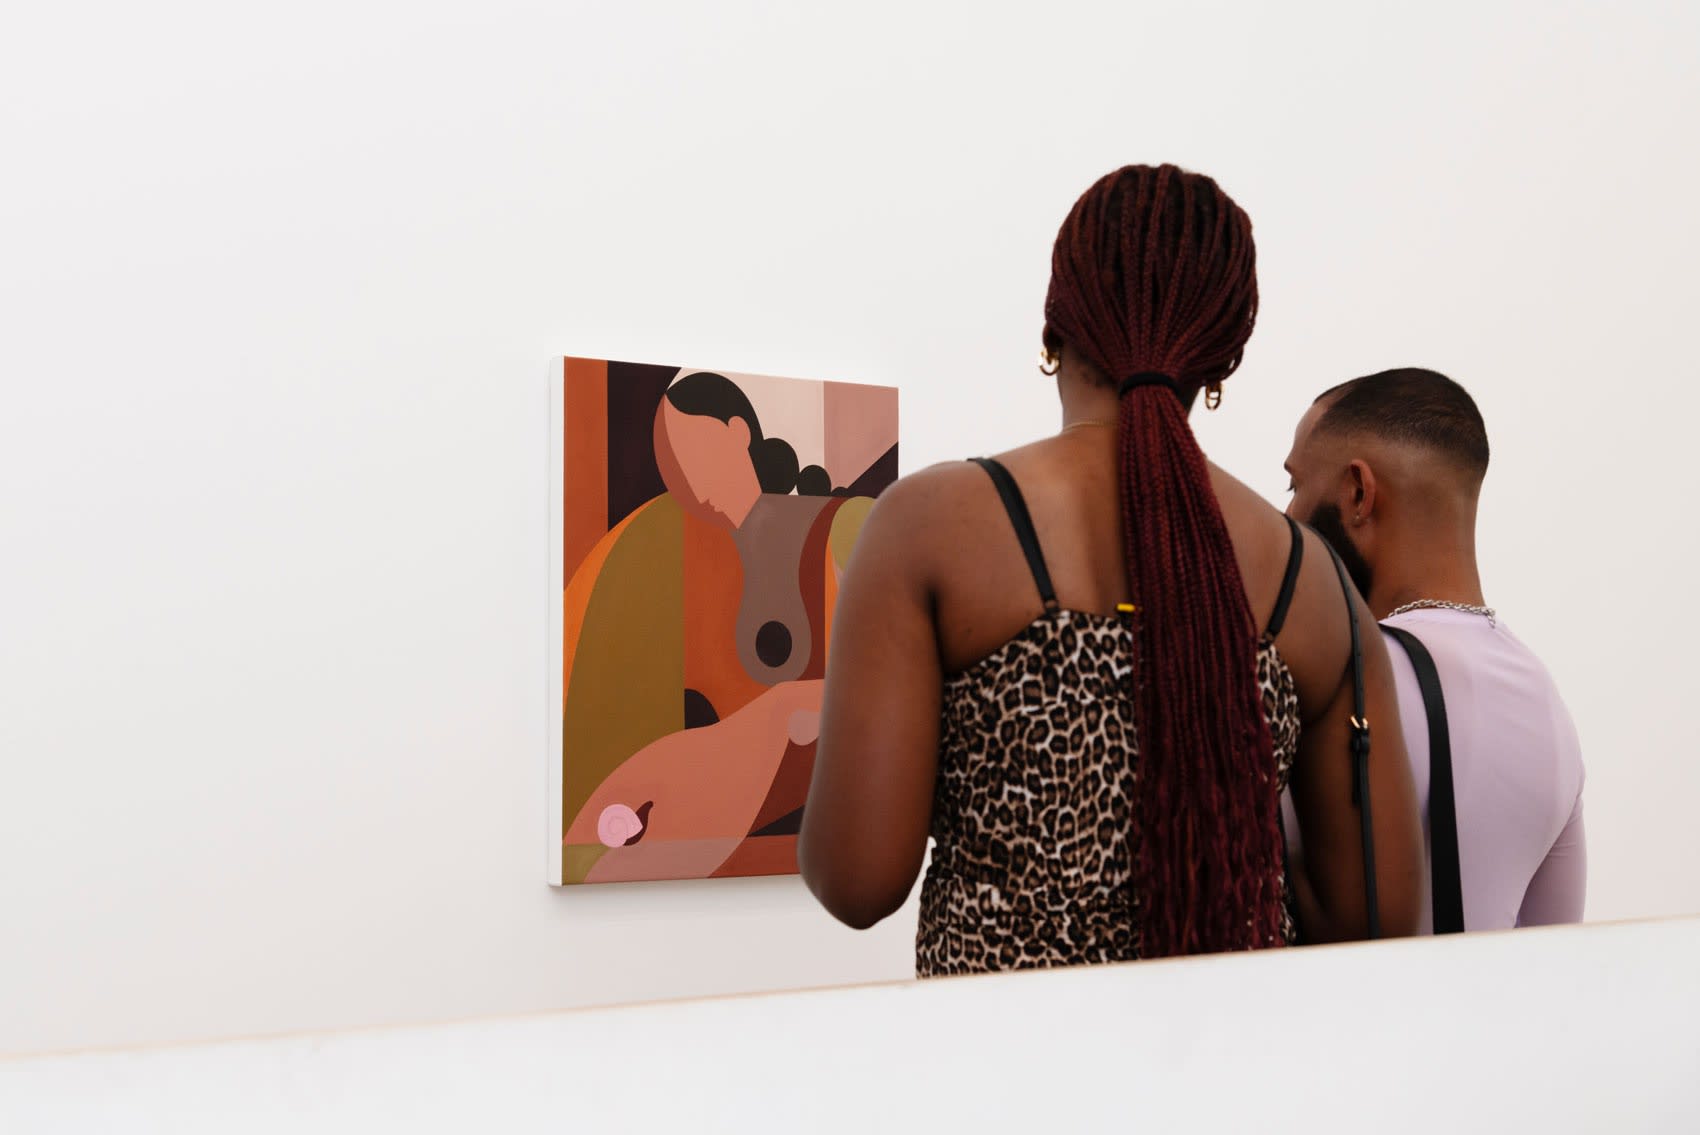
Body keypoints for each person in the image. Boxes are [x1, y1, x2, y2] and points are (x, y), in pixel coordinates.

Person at [799, 164, 1423, 975]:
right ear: (1222, 362)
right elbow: (1373, 917)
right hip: (1223, 1077)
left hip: (999, 1079)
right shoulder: (1314, 583)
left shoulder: (931, 525)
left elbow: (857, 882)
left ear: (1053, 331)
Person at [1283, 368, 1586, 929]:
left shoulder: (1333, 684)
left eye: (1295, 486)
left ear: (1357, 492)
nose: (1288, 519)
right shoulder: (1548, 709)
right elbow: (1552, 963)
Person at [560, 370, 881, 884]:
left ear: (739, 432)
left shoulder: (840, 525)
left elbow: (888, 685)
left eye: (694, 453)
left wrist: (780, 716)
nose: (686, 479)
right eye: (671, 466)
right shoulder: (674, 553)